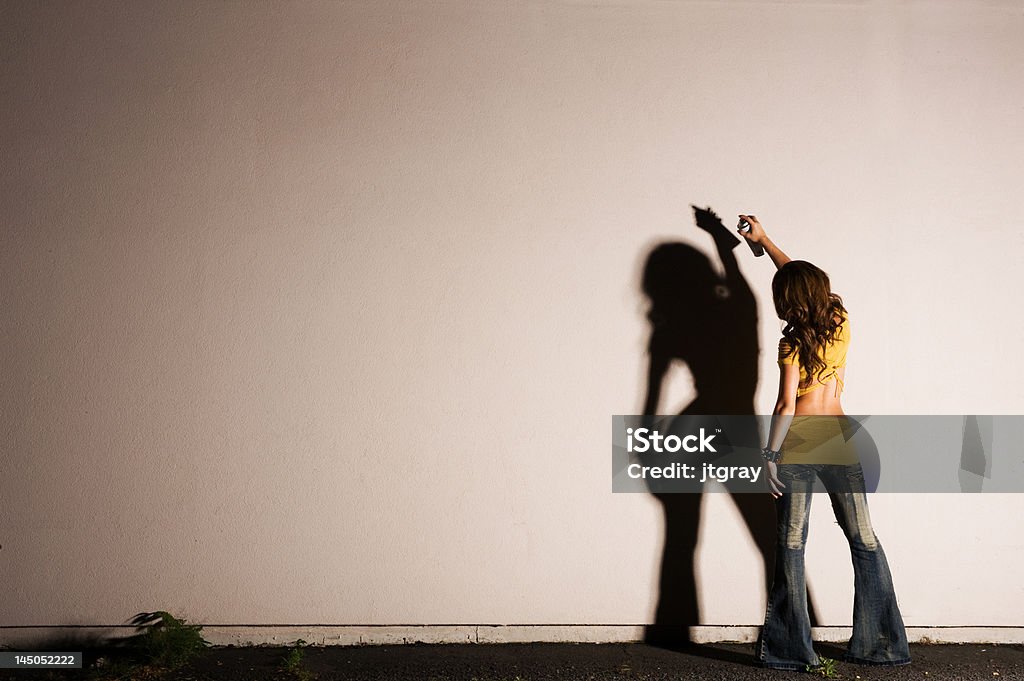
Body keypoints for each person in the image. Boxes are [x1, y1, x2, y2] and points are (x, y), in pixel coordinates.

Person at [737, 215, 911, 670]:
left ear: (787, 303)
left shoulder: (791, 345)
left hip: (799, 443)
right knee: (864, 539)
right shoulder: (840, 319)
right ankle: (882, 645)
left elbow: (784, 407)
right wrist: (767, 242)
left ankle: (792, 652)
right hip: (838, 437)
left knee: (791, 544)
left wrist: (770, 457)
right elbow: (801, 280)